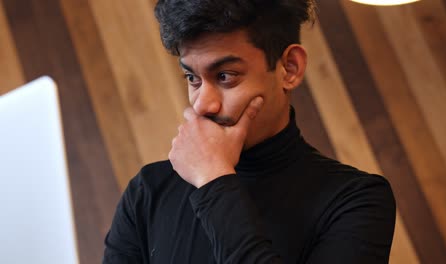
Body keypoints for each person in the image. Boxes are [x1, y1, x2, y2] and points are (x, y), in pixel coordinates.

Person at [102, 0, 396, 263]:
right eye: (192, 78)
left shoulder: (356, 200)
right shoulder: (149, 190)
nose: (203, 104)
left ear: (290, 68)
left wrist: (213, 180)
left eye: (225, 76)